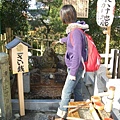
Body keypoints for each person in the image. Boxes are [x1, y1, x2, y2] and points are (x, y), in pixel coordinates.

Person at [54, 4, 89, 120]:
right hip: (77, 67)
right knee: (78, 91)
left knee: (66, 91)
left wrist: (73, 73)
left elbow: (77, 53)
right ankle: (80, 113)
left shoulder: (75, 32)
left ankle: (60, 115)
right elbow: (70, 40)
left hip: (76, 67)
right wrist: (61, 40)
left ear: (65, 16)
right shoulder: (74, 30)